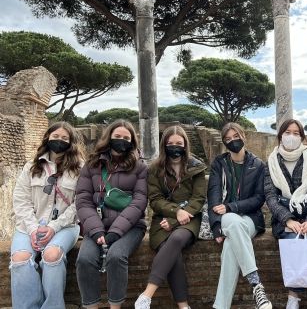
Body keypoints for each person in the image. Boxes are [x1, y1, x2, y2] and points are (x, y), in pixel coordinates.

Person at [10, 121, 84, 309]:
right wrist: (34, 228)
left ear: (71, 142)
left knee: (52, 255)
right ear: (47, 138)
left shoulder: (80, 169)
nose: (59, 141)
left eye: (64, 138)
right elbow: (21, 200)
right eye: (55, 137)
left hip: (65, 226)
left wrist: (53, 227)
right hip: (29, 225)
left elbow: (80, 204)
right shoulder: (31, 167)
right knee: (20, 258)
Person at [75, 119, 148, 309]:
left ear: (132, 141)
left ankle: (115, 306)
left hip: (130, 227)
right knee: (84, 259)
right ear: (109, 138)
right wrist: (97, 230)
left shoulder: (140, 167)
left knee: (116, 256)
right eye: (117, 137)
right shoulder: (91, 165)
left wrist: (116, 230)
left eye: (126, 137)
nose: (121, 140)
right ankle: (91, 306)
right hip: (97, 225)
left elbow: (139, 202)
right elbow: (83, 200)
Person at [134, 126, 207, 309]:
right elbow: (156, 200)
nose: (175, 146)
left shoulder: (196, 167)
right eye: (170, 143)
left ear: (185, 145)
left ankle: (147, 295)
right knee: (171, 252)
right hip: (162, 219)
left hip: (191, 218)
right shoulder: (155, 169)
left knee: (176, 237)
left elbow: (198, 199)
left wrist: (176, 220)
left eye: (179, 143)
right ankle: (183, 306)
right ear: (164, 145)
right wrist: (175, 213)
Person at [264, 119, 307, 309]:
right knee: (292, 241)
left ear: (301, 136)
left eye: (296, 133)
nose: (291, 137)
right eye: (287, 132)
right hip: (284, 218)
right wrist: (288, 219)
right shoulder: (271, 161)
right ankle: (293, 295)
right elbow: (270, 196)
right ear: (280, 135)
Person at [207, 122, 272, 309]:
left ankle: (220, 306)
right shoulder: (219, 164)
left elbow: (259, 198)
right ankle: (256, 285)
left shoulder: (258, 165)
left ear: (244, 137)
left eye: (236, 137)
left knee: (230, 245)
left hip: (251, 218)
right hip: (226, 218)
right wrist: (216, 226)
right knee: (233, 224)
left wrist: (231, 206)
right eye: (228, 139)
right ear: (223, 142)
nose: (232, 141)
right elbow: (214, 196)